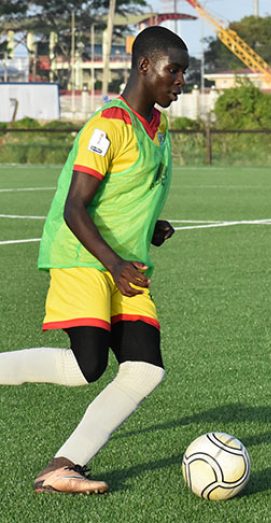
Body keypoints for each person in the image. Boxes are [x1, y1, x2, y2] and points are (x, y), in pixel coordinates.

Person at [0, 26, 188, 493]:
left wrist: (151, 227)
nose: (181, 80)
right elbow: (75, 206)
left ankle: (64, 466)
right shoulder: (108, 126)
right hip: (86, 257)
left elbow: (127, 196)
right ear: (145, 66)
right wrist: (112, 263)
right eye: (174, 70)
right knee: (88, 367)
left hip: (123, 265)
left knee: (144, 370)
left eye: (185, 72)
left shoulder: (159, 129)